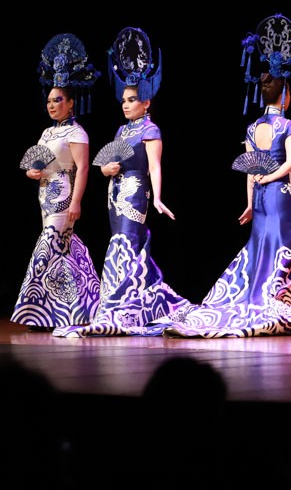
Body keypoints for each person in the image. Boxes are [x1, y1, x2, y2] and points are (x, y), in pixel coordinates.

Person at [163, 14, 291, 337]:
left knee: (262, 247)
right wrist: (271, 179)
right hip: (281, 196)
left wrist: (249, 203)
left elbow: (250, 170)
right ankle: (278, 301)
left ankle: (259, 297)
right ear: (285, 94)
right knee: (282, 247)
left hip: (259, 198)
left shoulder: (252, 128)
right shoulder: (288, 125)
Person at [54, 27, 193, 337]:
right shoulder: (120, 131)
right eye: (124, 100)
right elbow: (108, 163)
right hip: (114, 191)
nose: (126, 105)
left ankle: (124, 301)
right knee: (118, 238)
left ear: (147, 102)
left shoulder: (151, 130)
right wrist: (106, 169)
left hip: (136, 191)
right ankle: (124, 299)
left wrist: (158, 197)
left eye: (133, 100)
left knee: (129, 240)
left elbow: (154, 166)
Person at [11, 33, 101, 331]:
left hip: (63, 194)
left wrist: (76, 202)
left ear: (71, 104)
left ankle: (32, 309)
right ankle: (76, 309)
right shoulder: (47, 133)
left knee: (48, 244)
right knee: (61, 251)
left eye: (57, 100)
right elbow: (35, 164)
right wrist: (32, 173)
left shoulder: (77, 133)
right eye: (49, 101)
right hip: (44, 194)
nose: (51, 105)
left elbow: (83, 168)